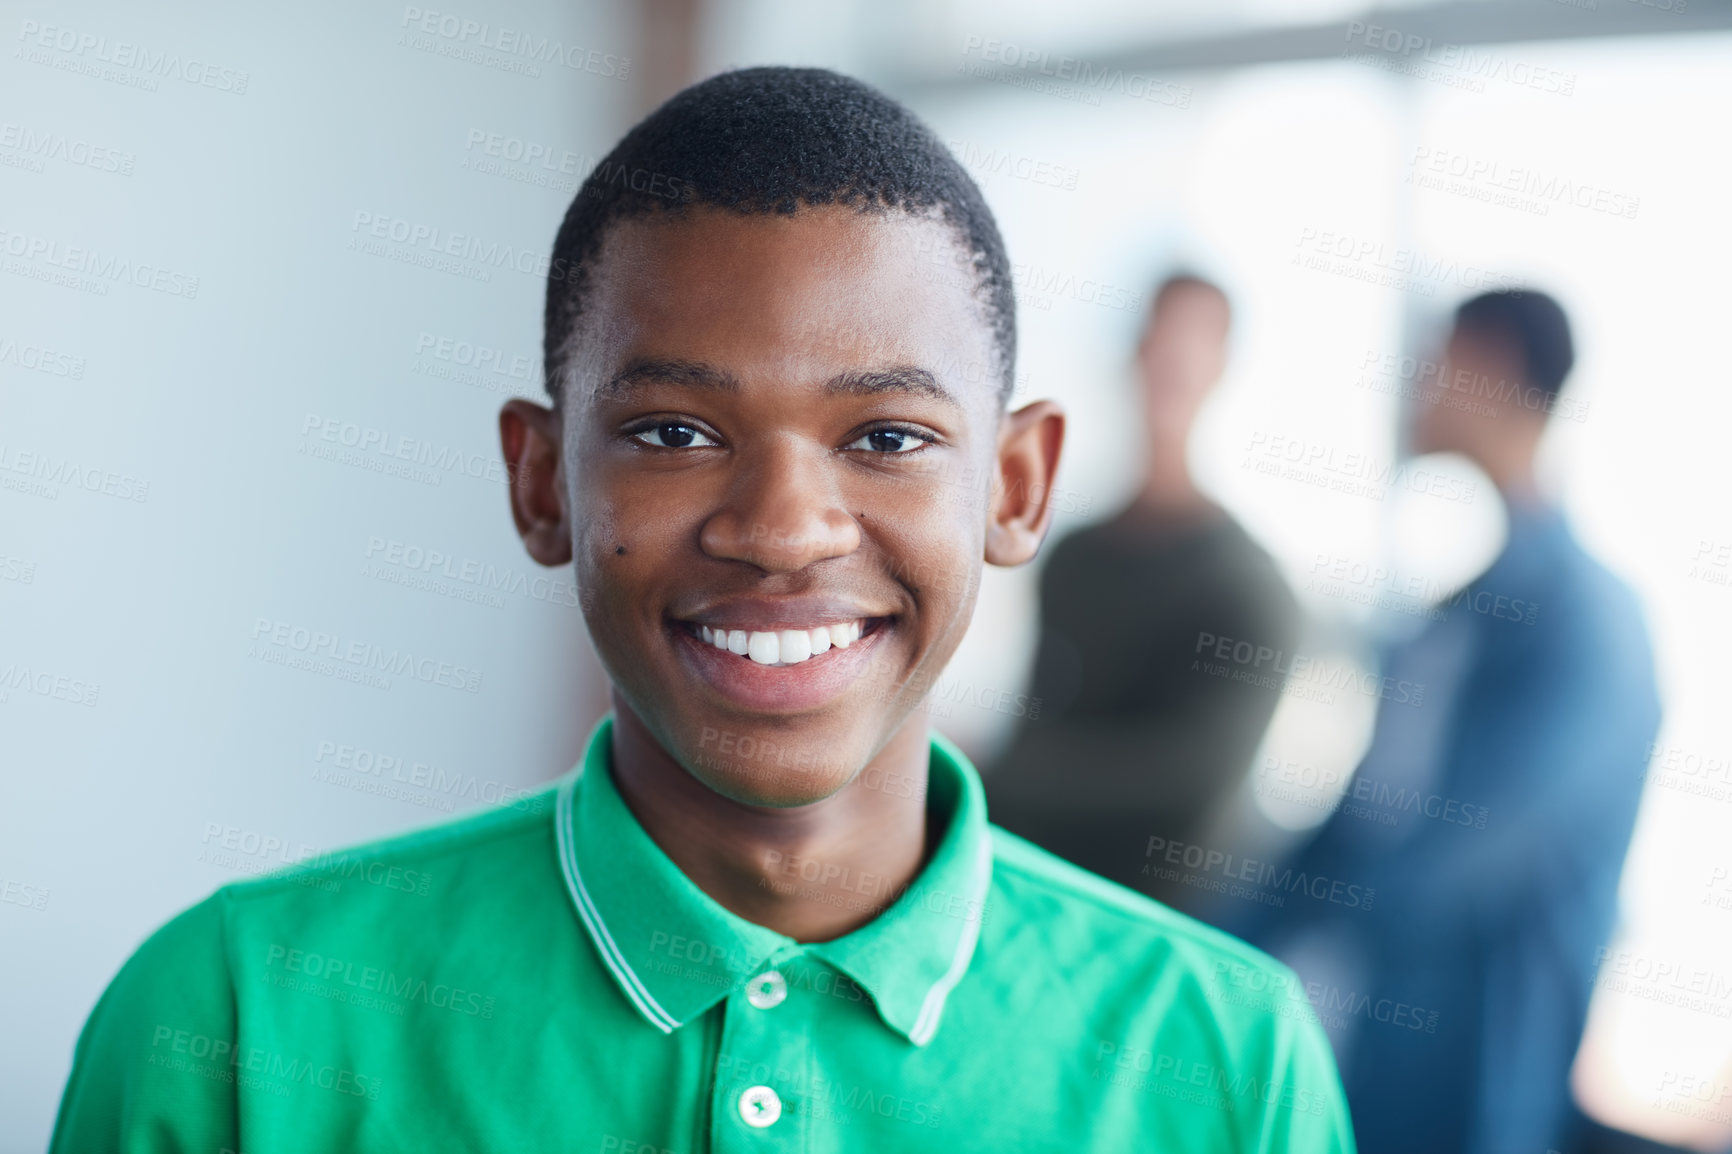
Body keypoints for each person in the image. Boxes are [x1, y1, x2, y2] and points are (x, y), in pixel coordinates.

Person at [49, 69, 1353, 1152]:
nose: (784, 528)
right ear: (539, 481)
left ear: (1013, 488)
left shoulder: (1229, 1064)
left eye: (888, 434)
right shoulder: (231, 1025)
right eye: (673, 430)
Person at [1236, 290, 1660, 1154]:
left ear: (1495, 370)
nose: (1418, 383)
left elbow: (1478, 851)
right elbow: (1362, 823)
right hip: (1376, 1042)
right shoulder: (1459, 612)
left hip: (1476, 1072)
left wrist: (1306, 941)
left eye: (1440, 359)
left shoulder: (1584, 618)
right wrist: (1221, 941)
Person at [987, 274, 1300, 909]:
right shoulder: (1074, 556)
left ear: (1221, 369)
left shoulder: (1250, 587)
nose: (1169, 364)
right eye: (1158, 340)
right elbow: (1040, 719)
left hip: (1163, 922)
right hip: (1034, 897)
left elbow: (1193, 777)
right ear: (1133, 355)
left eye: (1190, 347)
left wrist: (984, 770)